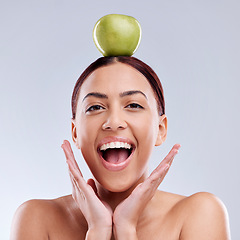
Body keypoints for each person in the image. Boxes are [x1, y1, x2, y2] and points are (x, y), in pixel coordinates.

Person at [10, 56, 231, 240]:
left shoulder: (200, 214)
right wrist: (98, 232)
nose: (113, 121)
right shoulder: (36, 219)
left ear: (161, 129)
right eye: (95, 107)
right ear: (75, 132)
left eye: (133, 105)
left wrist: (126, 229)